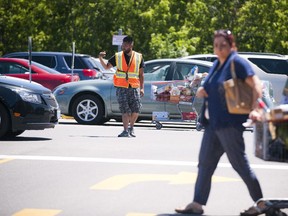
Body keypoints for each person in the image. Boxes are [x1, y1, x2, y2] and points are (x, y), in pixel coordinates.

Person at [175, 30, 269, 216]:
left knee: (240, 165)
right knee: (205, 164)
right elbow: (218, 88)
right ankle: (197, 204)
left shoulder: (237, 62)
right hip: (212, 124)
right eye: (216, 45)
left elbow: (256, 85)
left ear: (232, 46)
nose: (219, 49)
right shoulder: (218, 63)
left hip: (229, 124)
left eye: (223, 45)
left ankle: (262, 203)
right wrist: (204, 90)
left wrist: (256, 108)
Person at [99, 36, 144, 137]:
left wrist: (142, 88)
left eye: (126, 45)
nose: (124, 46)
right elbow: (106, 67)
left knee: (136, 109)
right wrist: (100, 58)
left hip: (134, 86)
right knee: (125, 110)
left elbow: (141, 74)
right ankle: (125, 130)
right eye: (123, 44)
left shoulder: (138, 57)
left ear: (131, 45)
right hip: (121, 87)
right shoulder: (118, 56)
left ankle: (131, 128)